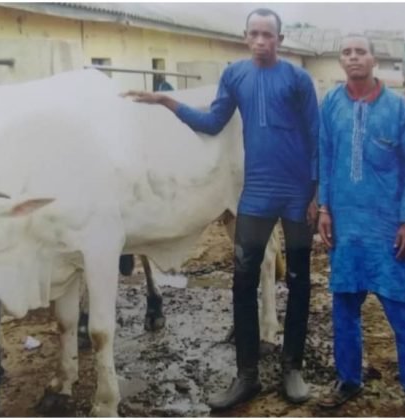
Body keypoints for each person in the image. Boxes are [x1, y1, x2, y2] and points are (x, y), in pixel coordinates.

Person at [124, 8, 319, 411]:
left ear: (280, 40)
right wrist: (166, 101)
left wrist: (319, 192)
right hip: (257, 194)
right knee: (242, 282)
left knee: (299, 281)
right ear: (246, 38)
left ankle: (292, 369)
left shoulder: (299, 80)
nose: (261, 40)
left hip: (297, 194)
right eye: (254, 34)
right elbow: (213, 122)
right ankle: (246, 376)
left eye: (269, 34)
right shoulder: (235, 76)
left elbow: (317, 138)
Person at [313, 34, 405, 415]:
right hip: (345, 227)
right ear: (340, 60)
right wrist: (324, 209)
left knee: (402, 308)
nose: (353, 57)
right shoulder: (331, 103)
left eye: (360, 51)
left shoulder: (396, 108)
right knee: (344, 306)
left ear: (373, 58)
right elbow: (326, 157)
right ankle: (348, 379)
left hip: (387, 228)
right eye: (346, 52)